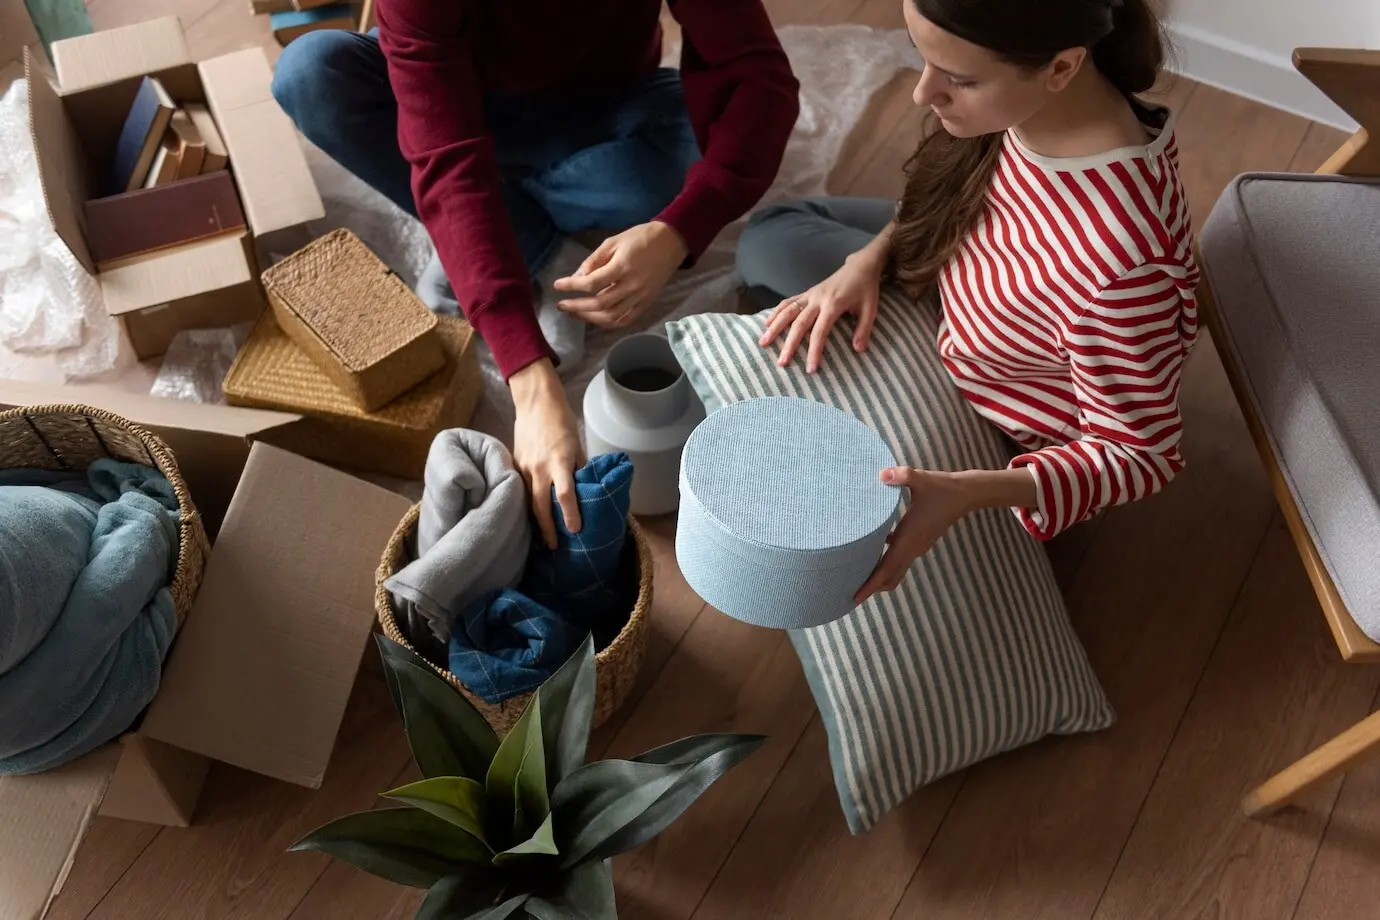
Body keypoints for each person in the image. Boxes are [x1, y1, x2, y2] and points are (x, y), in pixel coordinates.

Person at [271, 2, 800, 547]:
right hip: (453, 95)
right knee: (311, 73)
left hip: (603, 103)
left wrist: (679, 231)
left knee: (687, 153)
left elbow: (760, 77)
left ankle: (489, 225)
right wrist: (528, 380)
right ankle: (530, 241)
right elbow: (445, 157)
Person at [735, 0, 1198, 602]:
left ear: (1060, 67)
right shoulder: (1036, 103)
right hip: (953, 279)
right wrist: (868, 260)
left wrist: (968, 491)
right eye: (922, 58)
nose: (922, 93)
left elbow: (1141, 454)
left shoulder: (1122, 267)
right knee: (771, 239)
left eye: (957, 79)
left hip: (994, 423)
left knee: (838, 539)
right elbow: (949, 205)